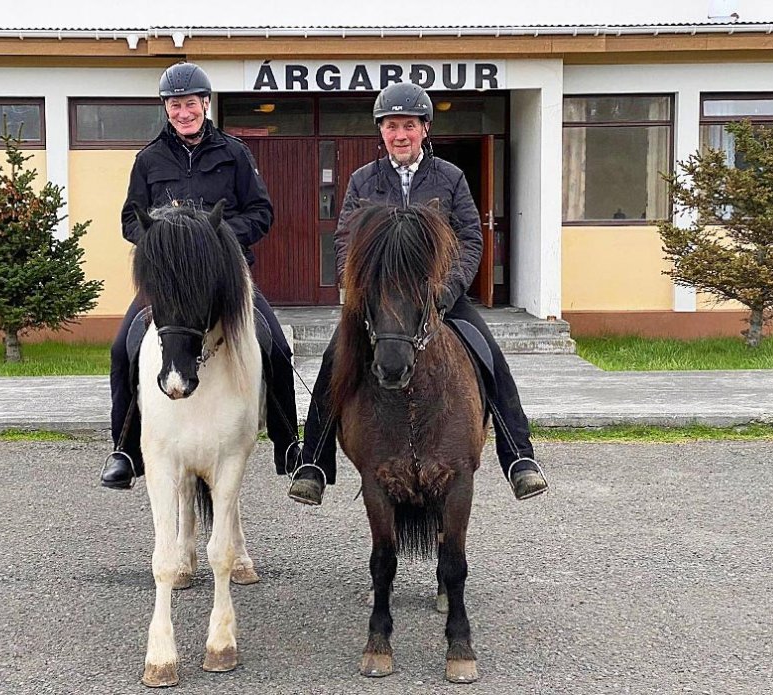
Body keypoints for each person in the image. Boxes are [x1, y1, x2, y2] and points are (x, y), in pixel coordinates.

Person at [288, 82, 549, 506]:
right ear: (381, 132)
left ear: (425, 129)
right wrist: (360, 290)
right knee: (333, 359)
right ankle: (314, 462)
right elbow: (344, 241)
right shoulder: (363, 182)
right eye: (392, 126)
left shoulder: (450, 178)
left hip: (440, 297)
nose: (400, 135)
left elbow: (469, 238)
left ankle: (519, 457)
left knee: (490, 356)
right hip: (380, 302)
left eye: (408, 125)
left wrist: (448, 290)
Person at [101, 62, 299, 489]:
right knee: (122, 350)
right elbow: (129, 221)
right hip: (169, 282)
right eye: (175, 105)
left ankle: (288, 444)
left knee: (276, 346)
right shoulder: (148, 159)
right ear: (166, 109)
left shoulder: (235, 153)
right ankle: (123, 449)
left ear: (205, 104)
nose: (183, 112)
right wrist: (163, 240)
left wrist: (217, 239)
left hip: (226, 278)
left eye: (191, 103)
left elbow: (261, 213)